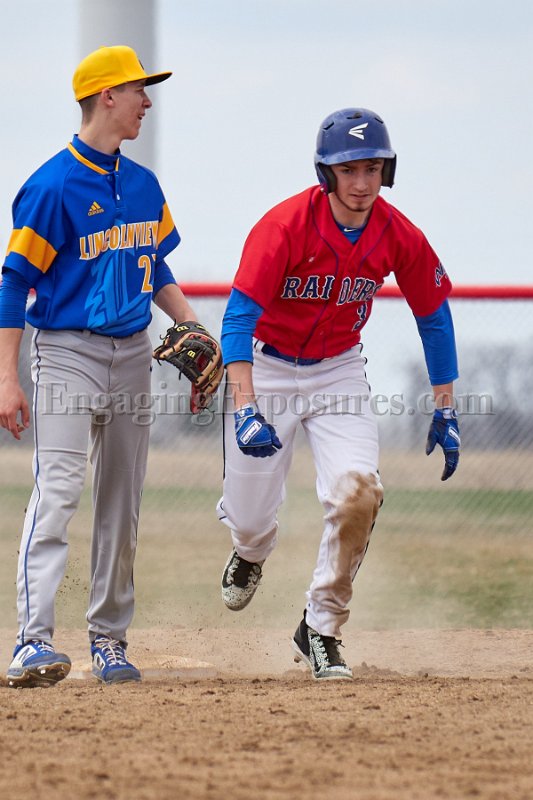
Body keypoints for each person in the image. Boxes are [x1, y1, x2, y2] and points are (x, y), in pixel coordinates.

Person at [217, 108, 460, 681]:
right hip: (269, 367)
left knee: (359, 493)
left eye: (372, 168)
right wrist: (246, 406)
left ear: (386, 171)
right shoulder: (282, 226)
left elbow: (433, 315)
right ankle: (251, 552)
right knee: (250, 520)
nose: (361, 182)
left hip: (338, 373)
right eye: (348, 169)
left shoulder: (397, 233)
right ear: (326, 172)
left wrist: (446, 407)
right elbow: (238, 319)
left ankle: (321, 626)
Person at [0, 45, 202, 687]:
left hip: (134, 353)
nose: (147, 101)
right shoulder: (52, 186)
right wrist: (7, 378)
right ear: (106, 96)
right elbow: (14, 284)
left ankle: (109, 640)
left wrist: (191, 324)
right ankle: (32, 642)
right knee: (58, 489)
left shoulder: (143, 185)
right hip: (66, 353)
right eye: (139, 90)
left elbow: (155, 265)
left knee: (122, 499)